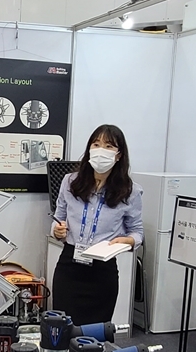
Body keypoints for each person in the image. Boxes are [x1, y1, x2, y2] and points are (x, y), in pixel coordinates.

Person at [51, 124, 144, 325]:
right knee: (61, 329)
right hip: (69, 266)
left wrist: (128, 241)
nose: (101, 150)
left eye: (109, 146)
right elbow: (58, 218)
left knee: (95, 335)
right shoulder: (70, 182)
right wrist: (58, 230)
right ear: (89, 149)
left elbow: (137, 232)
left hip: (103, 271)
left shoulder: (130, 191)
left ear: (119, 155)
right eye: (96, 144)